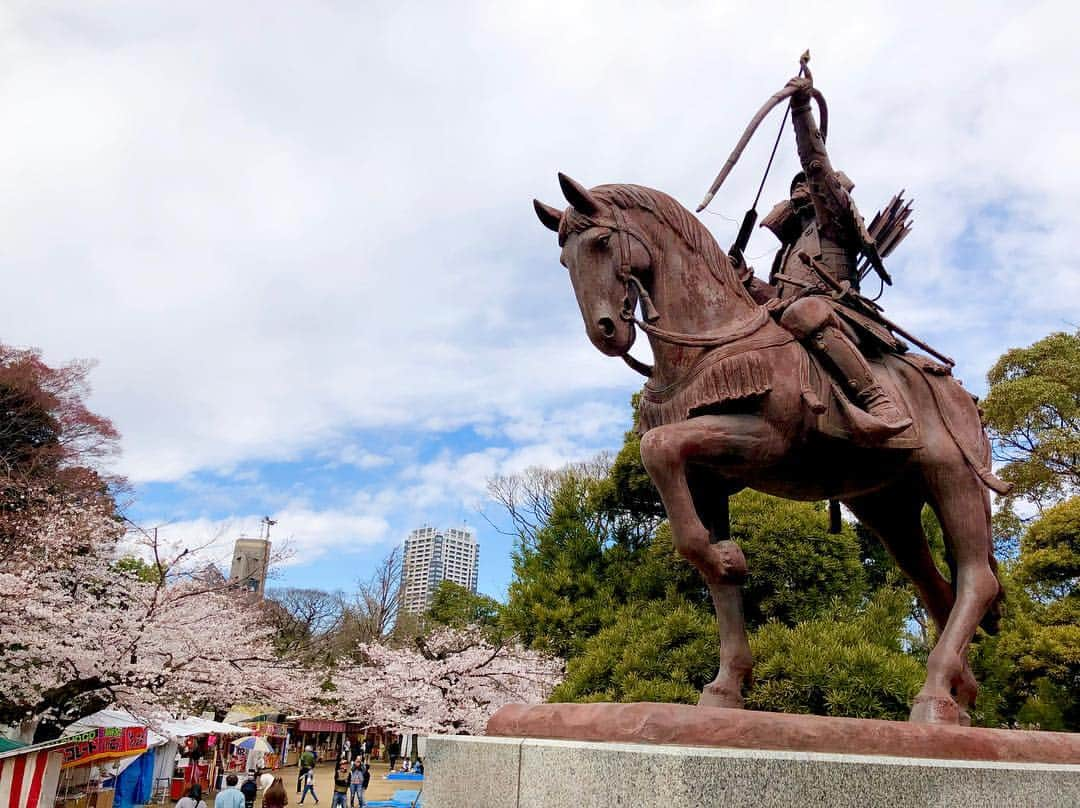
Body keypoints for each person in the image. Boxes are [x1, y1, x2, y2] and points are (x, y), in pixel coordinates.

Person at [749, 73, 912, 442]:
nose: (801, 190)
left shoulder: (833, 222)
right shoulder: (788, 251)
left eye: (805, 184)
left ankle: (878, 400)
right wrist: (744, 281)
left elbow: (817, 163)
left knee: (806, 310)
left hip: (839, 314)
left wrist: (803, 111)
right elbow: (778, 300)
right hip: (792, 318)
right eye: (795, 188)